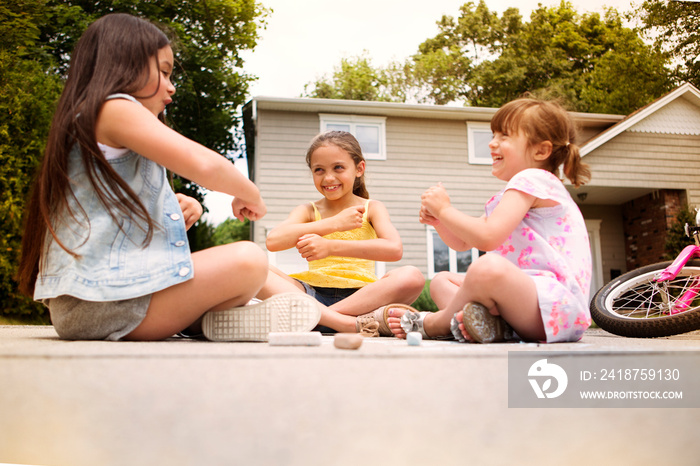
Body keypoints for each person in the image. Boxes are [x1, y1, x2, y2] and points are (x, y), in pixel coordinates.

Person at [17, 13, 320, 342]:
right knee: (249, 260)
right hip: (106, 305)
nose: (171, 85)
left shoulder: (92, 119)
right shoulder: (113, 107)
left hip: (99, 303)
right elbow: (203, 164)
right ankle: (202, 318)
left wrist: (171, 210)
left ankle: (203, 321)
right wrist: (250, 192)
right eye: (162, 71)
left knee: (242, 268)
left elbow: (107, 218)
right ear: (123, 62)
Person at [388, 97, 593, 343]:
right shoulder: (517, 193)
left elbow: (487, 236)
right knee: (442, 281)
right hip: (527, 307)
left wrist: (444, 210)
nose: (492, 143)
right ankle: (492, 326)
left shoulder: (532, 179)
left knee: (485, 268)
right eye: (493, 135)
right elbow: (465, 242)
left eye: (504, 136)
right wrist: (440, 222)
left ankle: (434, 323)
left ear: (541, 150)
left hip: (553, 307)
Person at [257, 131, 425, 336]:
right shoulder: (308, 210)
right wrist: (333, 224)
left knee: (412, 276)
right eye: (319, 170)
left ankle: (318, 318)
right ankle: (342, 323)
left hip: (362, 299)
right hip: (310, 292)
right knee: (254, 266)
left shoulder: (372, 208)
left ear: (359, 169)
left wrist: (330, 247)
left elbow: (394, 249)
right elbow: (273, 240)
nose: (328, 178)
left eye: (338, 167)